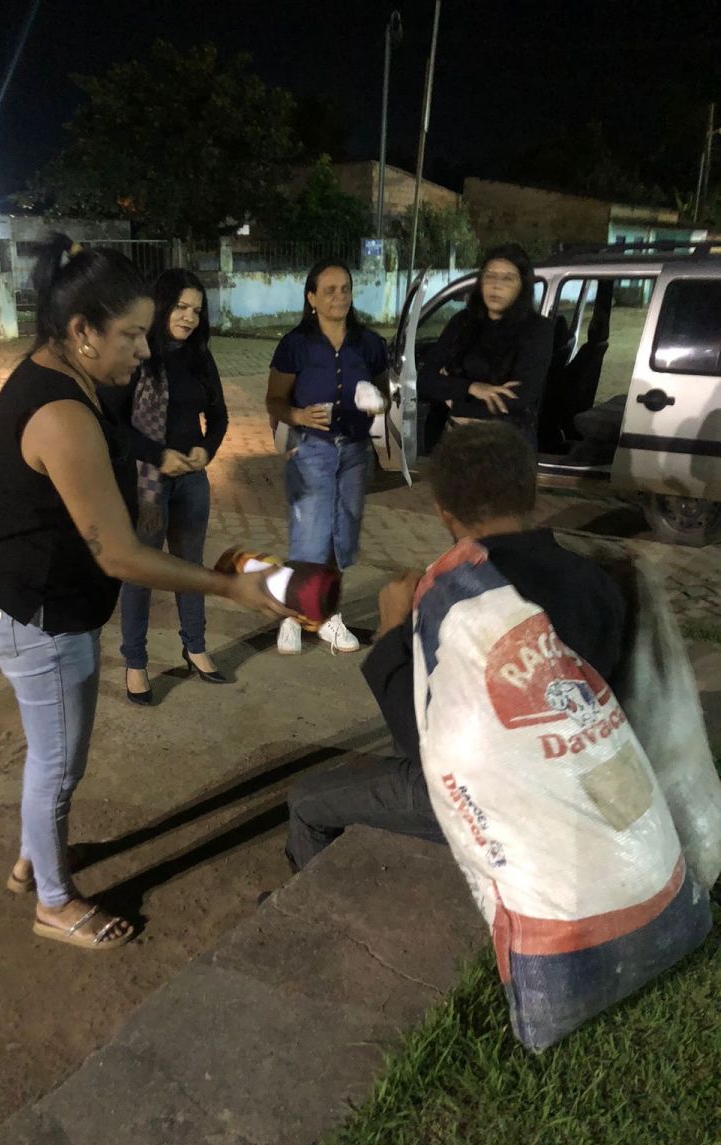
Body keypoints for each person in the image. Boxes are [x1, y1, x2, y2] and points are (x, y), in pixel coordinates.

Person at [0, 235, 289, 950]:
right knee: (60, 765)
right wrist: (225, 587)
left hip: (32, 607)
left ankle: (34, 855)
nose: (143, 351)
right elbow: (116, 552)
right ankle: (54, 901)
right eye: (131, 335)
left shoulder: (72, 382)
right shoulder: (60, 414)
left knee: (50, 753)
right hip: (40, 621)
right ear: (81, 331)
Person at [285, 421, 627, 871]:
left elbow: (427, 750)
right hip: (576, 786)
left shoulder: (452, 599)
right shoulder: (594, 581)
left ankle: (307, 921)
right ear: (532, 495)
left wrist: (390, 635)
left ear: (443, 511)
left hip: (496, 805)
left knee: (306, 802)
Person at [110, 269, 229, 704]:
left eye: (196, 310)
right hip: (148, 483)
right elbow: (116, 426)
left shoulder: (200, 356)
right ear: (163, 307)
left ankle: (195, 648)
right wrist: (158, 455)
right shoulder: (139, 356)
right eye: (181, 307)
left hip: (191, 481)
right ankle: (135, 662)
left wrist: (205, 451)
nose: (189, 317)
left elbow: (218, 417)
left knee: (191, 569)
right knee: (140, 573)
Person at [265, 260, 389, 656]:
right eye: (330, 290)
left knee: (340, 535)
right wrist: (297, 415)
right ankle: (292, 615)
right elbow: (274, 399)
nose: (340, 296)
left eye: (346, 288)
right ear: (311, 297)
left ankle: (329, 616)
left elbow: (384, 395)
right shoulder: (295, 344)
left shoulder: (368, 342)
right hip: (312, 448)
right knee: (309, 536)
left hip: (354, 450)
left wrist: (377, 405)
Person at [417, 243, 553, 450]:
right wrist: (472, 388)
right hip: (457, 441)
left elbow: (520, 397)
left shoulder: (537, 329)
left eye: (507, 278)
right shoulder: (462, 322)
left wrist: (455, 399)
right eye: (490, 276)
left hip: (506, 444)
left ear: (523, 285)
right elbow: (426, 380)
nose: (496, 285)